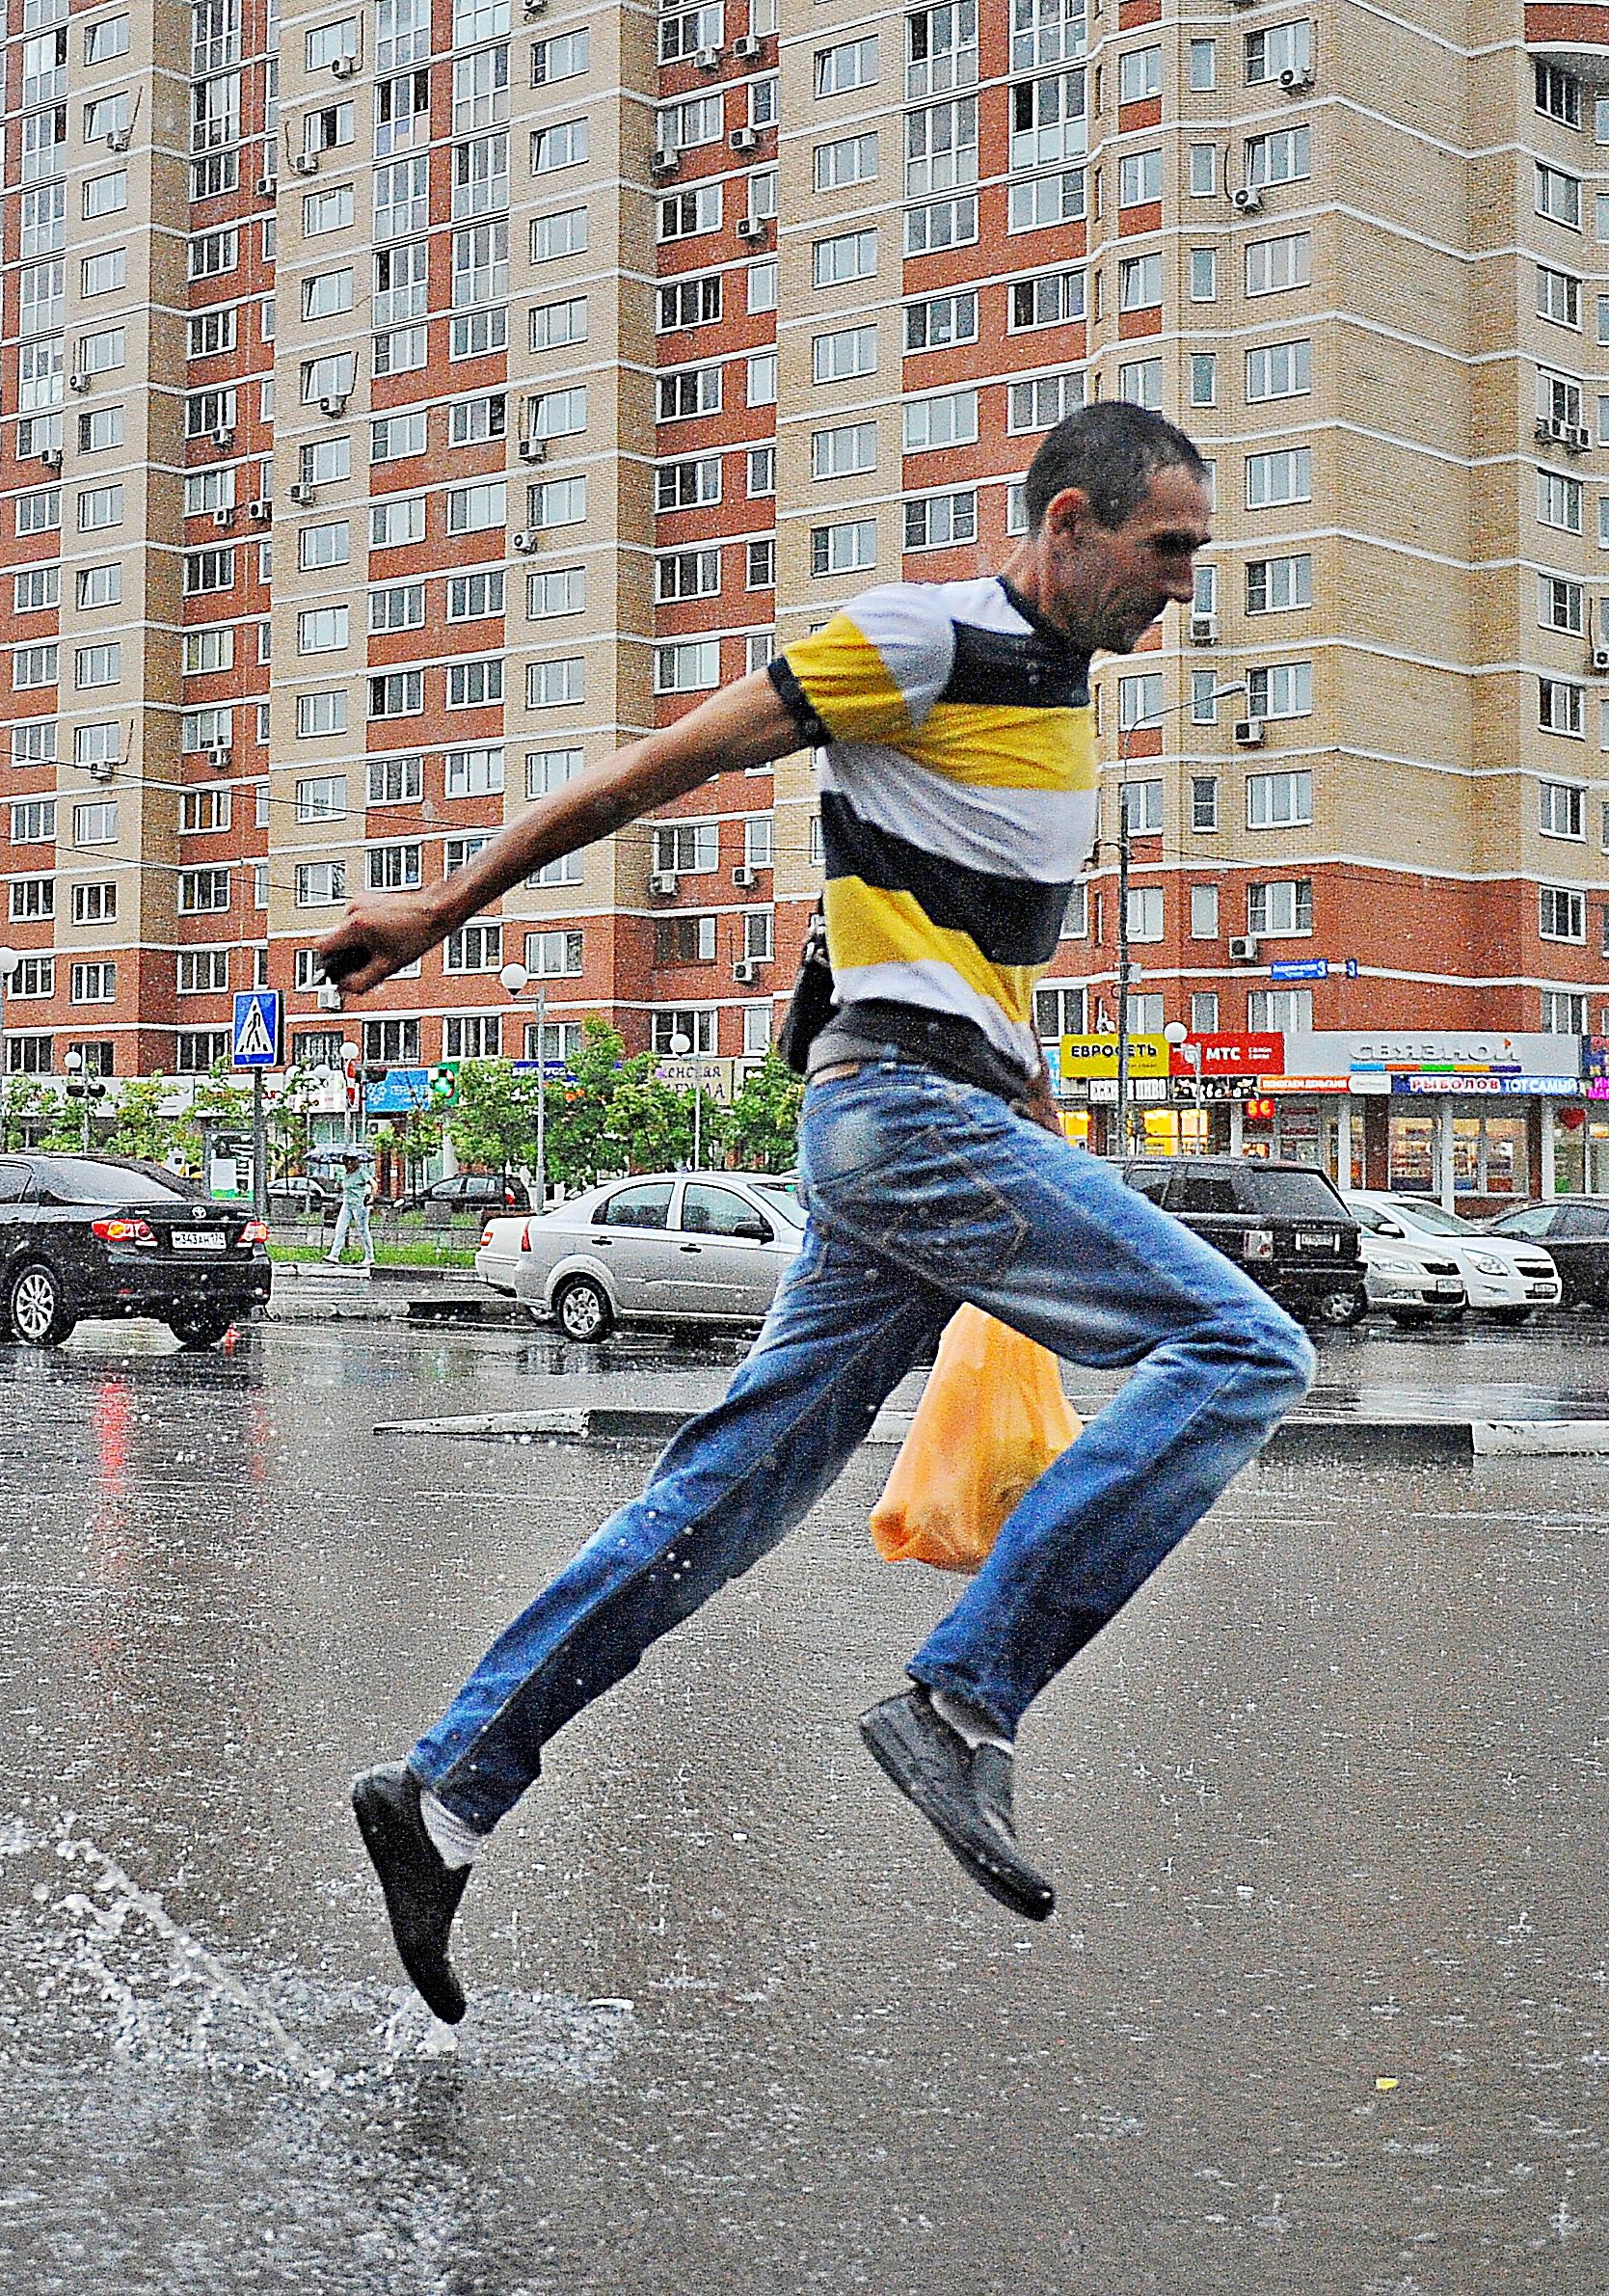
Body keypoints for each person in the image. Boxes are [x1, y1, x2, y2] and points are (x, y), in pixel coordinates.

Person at [313, 402, 1317, 2022]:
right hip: (902, 1118)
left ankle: (443, 1791)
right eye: (1167, 551)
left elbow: (927, 940)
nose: (1182, 589)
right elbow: (658, 771)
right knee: (1244, 1349)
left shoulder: (1054, 710)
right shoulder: (922, 639)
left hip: (936, 1121)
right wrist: (441, 910)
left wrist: (1033, 1123)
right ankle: (963, 1705)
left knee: (731, 1492)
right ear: (1067, 523)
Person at [325, 1152, 376, 1268]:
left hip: (359, 1205)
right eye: (345, 1162)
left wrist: (372, 1197)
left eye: (349, 1162)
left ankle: (370, 1256)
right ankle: (334, 1255)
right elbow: (342, 1186)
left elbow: (374, 1184)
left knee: (363, 1230)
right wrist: (339, 1184)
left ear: (355, 1162)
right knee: (340, 1228)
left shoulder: (361, 1173)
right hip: (347, 1203)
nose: (347, 1165)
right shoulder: (346, 1174)